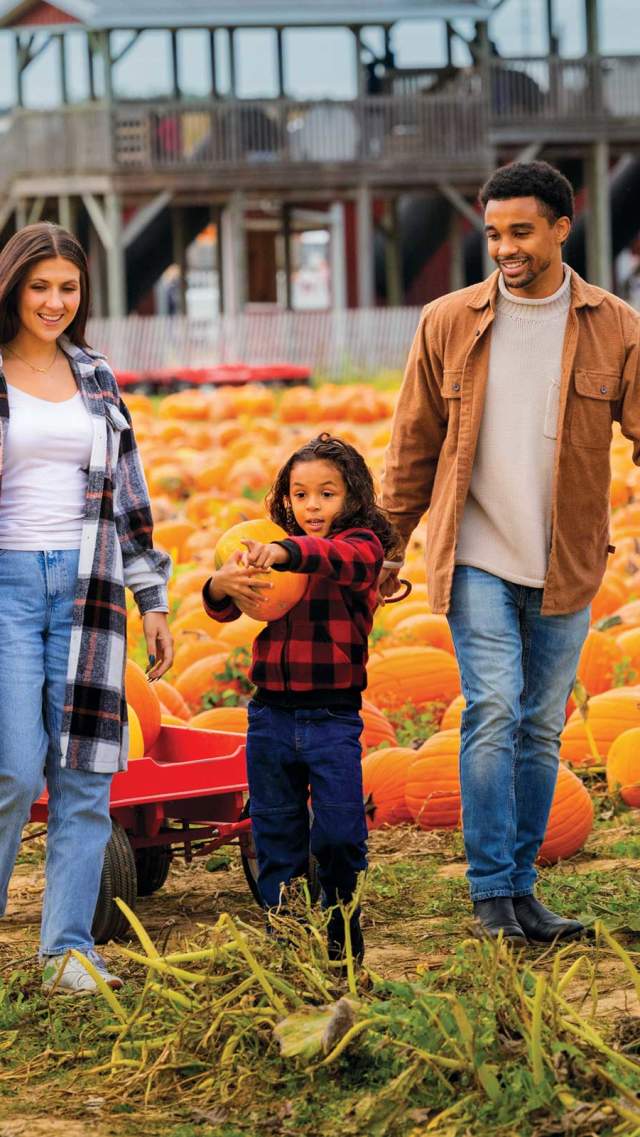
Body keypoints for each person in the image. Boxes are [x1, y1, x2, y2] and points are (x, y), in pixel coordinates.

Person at [381, 161, 640, 945]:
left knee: (540, 726)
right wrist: (387, 547)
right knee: (492, 710)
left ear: (563, 227)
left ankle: (524, 889)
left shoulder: (616, 325)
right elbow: (413, 447)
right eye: (494, 233)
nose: (505, 248)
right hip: (476, 553)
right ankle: (492, 891)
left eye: (521, 232)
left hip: (565, 557)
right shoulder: (448, 321)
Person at [0, 222, 173, 993]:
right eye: (39, 286)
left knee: (83, 774)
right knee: (9, 770)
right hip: (5, 587)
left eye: (67, 288)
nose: (54, 301)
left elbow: (130, 500)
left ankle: (66, 950)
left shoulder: (96, 376)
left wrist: (154, 599)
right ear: (12, 287)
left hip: (89, 590)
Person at [202, 433, 399, 964]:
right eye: (300, 494)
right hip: (270, 714)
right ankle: (289, 944)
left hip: (333, 717)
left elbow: (342, 560)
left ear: (353, 496)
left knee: (338, 834)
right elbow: (223, 609)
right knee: (277, 834)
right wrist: (222, 583)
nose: (312, 506)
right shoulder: (270, 545)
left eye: (327, 494)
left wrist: (287, 552)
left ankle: (342, 944)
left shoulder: (360, 547)